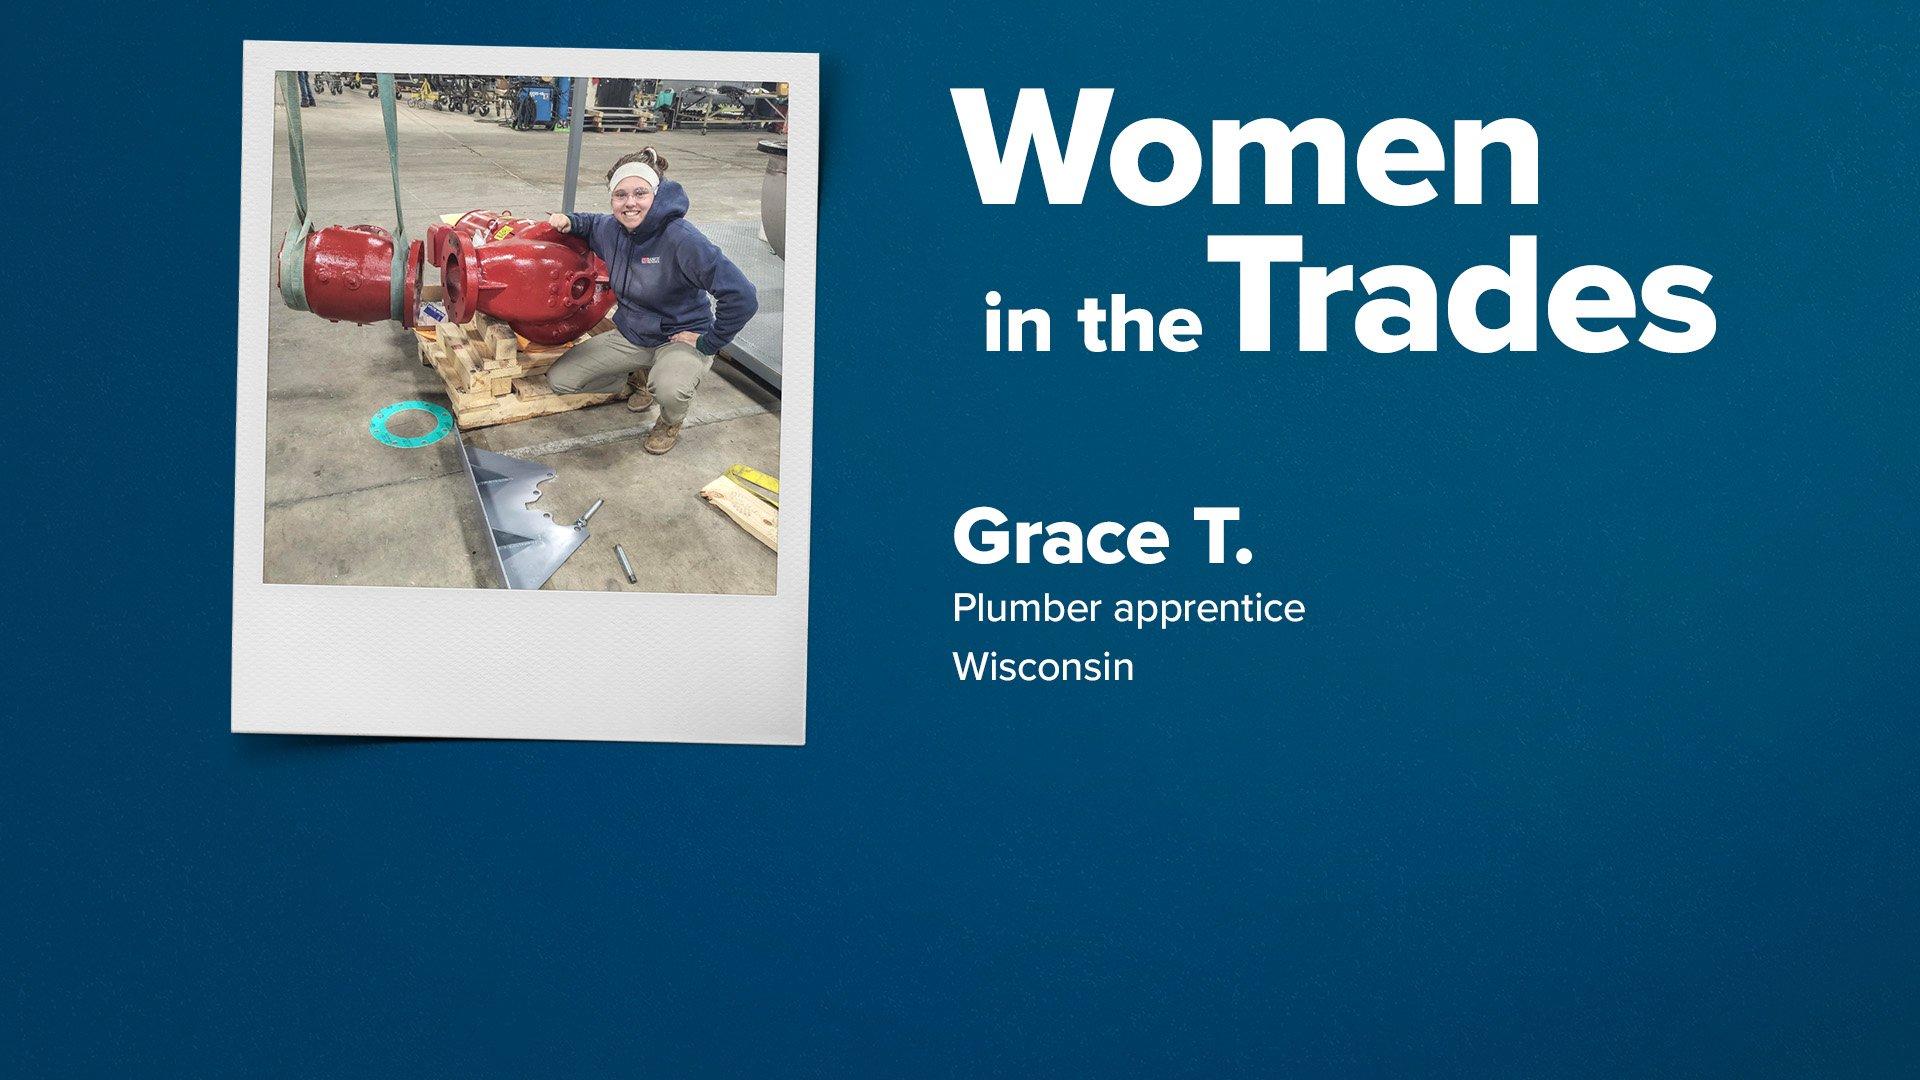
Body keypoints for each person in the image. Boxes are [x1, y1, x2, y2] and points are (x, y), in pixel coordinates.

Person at [545, 148, 758, 454]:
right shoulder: (611, 229)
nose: (630, 202)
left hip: (679, 338)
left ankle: (670, 420)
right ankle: (638, 379)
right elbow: (591, 223)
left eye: (640, 193)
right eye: (620, 195)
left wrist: (709, 342)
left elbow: (743, 296)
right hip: (634, 337)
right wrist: (569, 220)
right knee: (560, 379)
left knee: (670, 388)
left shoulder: (681, 239)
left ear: (655, 195)